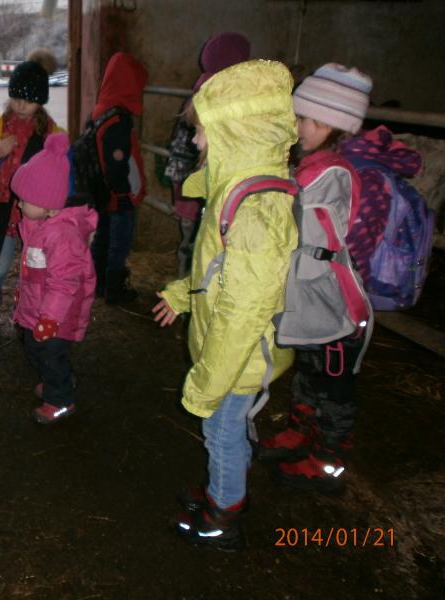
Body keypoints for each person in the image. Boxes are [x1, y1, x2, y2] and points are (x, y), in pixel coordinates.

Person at [151, 60, 298, 550]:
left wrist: (206, 382)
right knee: (228, 431)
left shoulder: (255, 209)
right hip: (230, 347)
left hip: (237, 357)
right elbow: (216, 274)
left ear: (236, 131)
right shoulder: (235, 191)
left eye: (201, 132)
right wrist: (180, 294)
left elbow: (243, 313)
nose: (194, 143)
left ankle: (224, 514)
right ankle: (225, 486)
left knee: (221, 431)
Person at [259, 64, 375, 495]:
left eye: (303, 119)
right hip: (310, 295)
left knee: (335, 383)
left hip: (334, 302)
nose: (296, 126)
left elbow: (301, 221)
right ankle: (300, 431)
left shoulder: (330, 173)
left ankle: (329, 459)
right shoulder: (311, 166)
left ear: (328, 124)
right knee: (310, 368)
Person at [0, 49, 62, 345]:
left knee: (36, 267)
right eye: (17, 98)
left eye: (30, 100)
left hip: (37, 214)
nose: (22, 106)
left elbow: (63, 172)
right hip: (3, 211)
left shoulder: (52, 134)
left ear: (41, 101)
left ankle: (28, 318)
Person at [10, 133, 97, 424]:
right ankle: (58, 380)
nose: (19, 205)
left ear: (48, 204)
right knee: (33, 348)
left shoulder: (61, 236)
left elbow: (64, 283)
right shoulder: (37, 225)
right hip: (38, 308)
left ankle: (60, 401)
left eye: (24, 200)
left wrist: (50, 318)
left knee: (49, 354)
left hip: (55, 316)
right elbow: (35, 272)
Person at [166, 32, 250, 277]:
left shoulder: (199, 90)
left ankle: (186, 293)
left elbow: (179, 146)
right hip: (198, 184)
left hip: (187, 183)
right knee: (201, 249)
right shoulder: (223, 96)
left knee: (193, 244)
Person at [89, 51, 148, 304]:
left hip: (102, 189)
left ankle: (98, 284)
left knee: (102, 236)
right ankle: (114, 288)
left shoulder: (101, 110)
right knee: (119, 241)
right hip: (118, 192)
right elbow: (116, 160)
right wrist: (123, 192)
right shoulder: (118, 119)